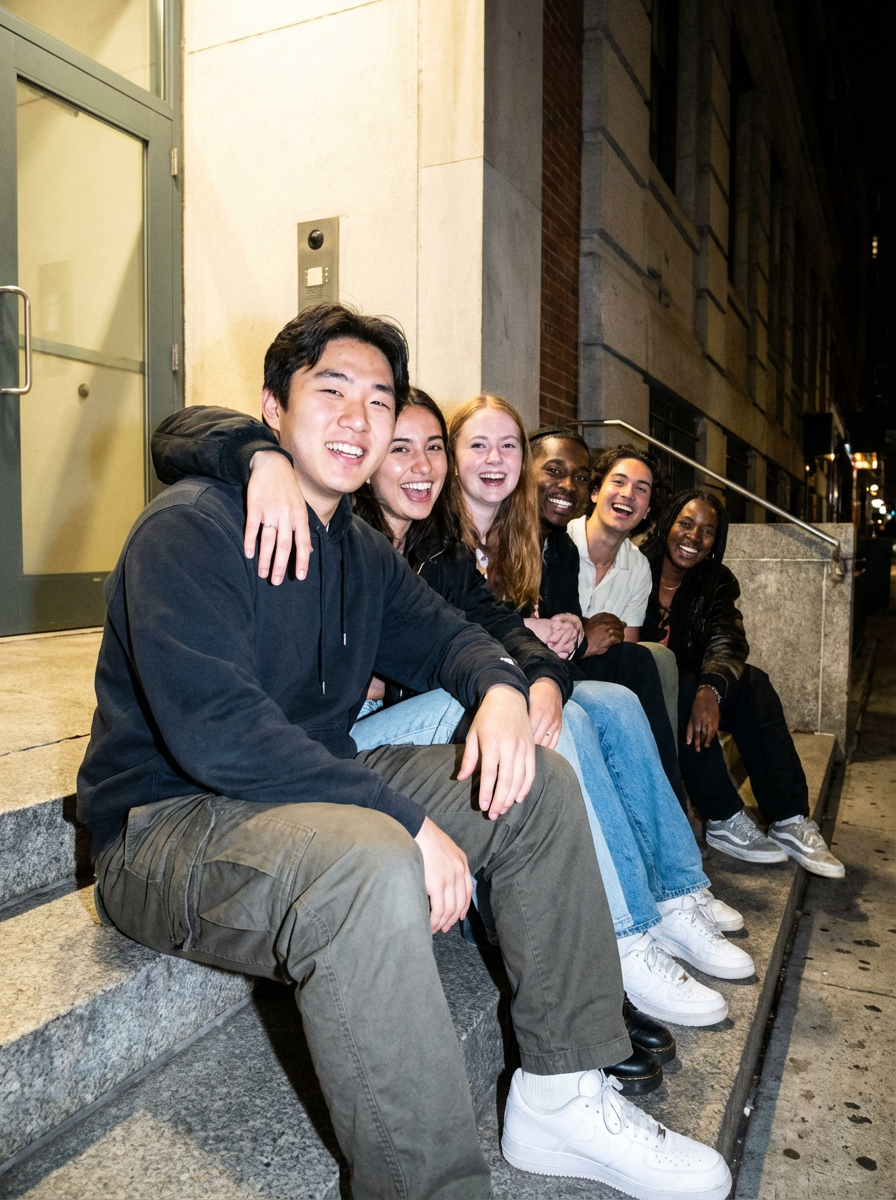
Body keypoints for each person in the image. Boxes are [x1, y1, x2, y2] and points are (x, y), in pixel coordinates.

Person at [80, 303, 731, 1200]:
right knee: (372, 860)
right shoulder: (189, 528)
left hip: (305, 794)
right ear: (272, 411)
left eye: (379, 401)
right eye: (331, 391)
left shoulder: (356, 548)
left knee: (539, 787)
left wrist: (499, 689)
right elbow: (219, 730)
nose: (358, 419)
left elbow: (451, 634)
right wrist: (406, 820)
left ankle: (562, 1094)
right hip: (166, 824)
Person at [446, 395, 754, 1009]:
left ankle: (674, 889)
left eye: (507, 446)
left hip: (515, 671)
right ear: (452, 459)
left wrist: (559, 637)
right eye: (477, 445)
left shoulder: (527, 537)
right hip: (459, 688)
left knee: (616, 700)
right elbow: (465, 627)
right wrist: (543, 649)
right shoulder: (441, 533)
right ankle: (623, 933)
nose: (495, 459)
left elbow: (521, 625)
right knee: (582, 716)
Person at [640, 489, 845, 879]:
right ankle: (722, 815)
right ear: (667, 523)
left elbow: (727, 640)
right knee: (681, 682)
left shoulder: (716, 581)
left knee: (754, 685)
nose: (694, 537)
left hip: (697, 686)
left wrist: (711, 690)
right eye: (686, 523)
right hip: (649, 689)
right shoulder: (634, 565)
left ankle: (788, 820)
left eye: (707, 531)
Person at [529, 433, 687, 803]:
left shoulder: (637, 566)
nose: (628, 494)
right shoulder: (562, 534)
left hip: (580, 657)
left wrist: (585, 636)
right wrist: (585, 634)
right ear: (596, 493)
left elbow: (622, 645)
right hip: (546, 658)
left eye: (641, 489)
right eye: (619, 482)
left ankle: (667, 796)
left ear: (647, 510)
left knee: (647, 660)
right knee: (637, 668)